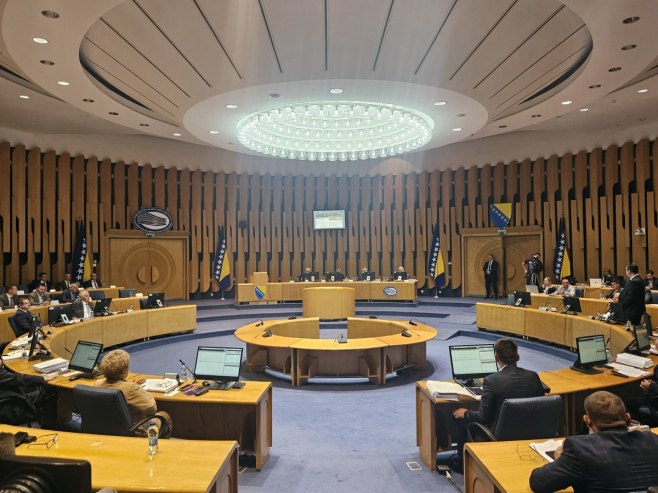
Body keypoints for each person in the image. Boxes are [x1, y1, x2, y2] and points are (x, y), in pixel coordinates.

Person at [529, 391, 658, 493]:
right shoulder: (653, 440)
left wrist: (560, 459)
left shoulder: (580, 449)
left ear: (587, 421)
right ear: (628, 418)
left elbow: (538, 483)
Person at [450, 338, 545, 472]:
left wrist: (465, 413)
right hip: (531, 432)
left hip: (501, 435)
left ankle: (462, 466)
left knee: (459, 417)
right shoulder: (533, 376)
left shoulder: (491, 380)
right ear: (517, 356)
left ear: (496, 358)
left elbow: (483, 417)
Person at [98, 349, 172, 437]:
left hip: (105, 428)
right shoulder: (130, 388)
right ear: (124, 371)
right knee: (164, 416)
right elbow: (152, 408)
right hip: (133, 430)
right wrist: (140, 390)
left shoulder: (98, 384)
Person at [0, 355, 57, 426]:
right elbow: (18, 379)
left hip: (8, 396)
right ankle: (48, 428)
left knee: (39, 389)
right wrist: (44, 378)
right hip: (10, 407)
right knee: (51, 391)